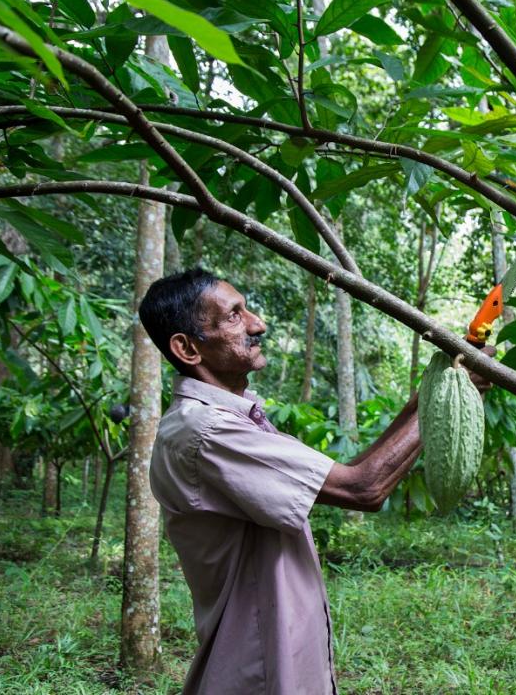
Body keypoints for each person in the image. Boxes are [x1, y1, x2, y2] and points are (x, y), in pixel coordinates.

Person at [140, 267, 485, 694]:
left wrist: (433, 389)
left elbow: (349, 474)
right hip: (257, 667)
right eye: (233, 316)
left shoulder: (229, 418)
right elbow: (363, 487)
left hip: (273, 655)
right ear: (187, 348)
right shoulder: (208, 431)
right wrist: (448, 394)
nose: (257, 324)